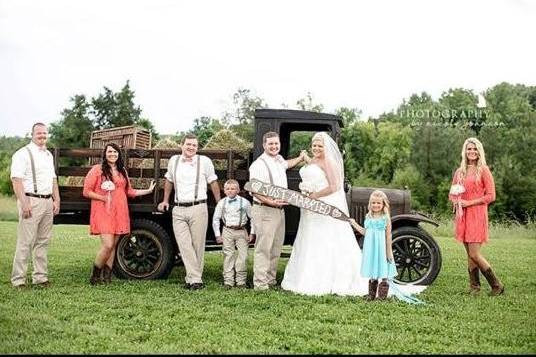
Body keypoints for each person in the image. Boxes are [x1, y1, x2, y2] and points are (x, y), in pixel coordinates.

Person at [280, 132, 369, 296]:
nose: (316, 148)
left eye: (320, 145)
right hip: (309, 208)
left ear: (325, 147)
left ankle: (328, 278)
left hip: (324, 205)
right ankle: (305, 276)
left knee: (325, 238)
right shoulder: (313, 160)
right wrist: (306, 189)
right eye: (314, 145)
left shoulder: (329, 162)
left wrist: (314, 196)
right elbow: (312, 170)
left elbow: (335, 186)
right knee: (309, 238)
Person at [83, 143, 155, 285]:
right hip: (104, 210)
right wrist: (102, 197)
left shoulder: (122, 171)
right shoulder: (97, 170)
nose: (112, 154)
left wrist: (147, 190)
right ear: (105, 154)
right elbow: (86, 191)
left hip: (120, 211)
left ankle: (107, 276)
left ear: (118, 154)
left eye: (115, 152)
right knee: (108, 245)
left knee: (114, 245)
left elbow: (129, 191)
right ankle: (95, 275)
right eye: (110, 152)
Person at [158, 133, 221, 290]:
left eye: (194, 145)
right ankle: (196, 279)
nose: (191, 147)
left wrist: (219, 202)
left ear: (197, 147)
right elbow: (169, 180)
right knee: (184, 244)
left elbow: (213, 182)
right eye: (188, 144)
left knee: (197, 245)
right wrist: (166, 200)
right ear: (181, 145)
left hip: (198, 207)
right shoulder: (174, 160)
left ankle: (192, 279)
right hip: (178, 208)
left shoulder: (204, 161)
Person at [248, 131, 305, 291]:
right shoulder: (258, 165)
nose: (274, 146)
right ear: (264, 145)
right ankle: (260, 283)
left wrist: (301, 158)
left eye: (276, 144)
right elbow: (254, 189)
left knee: (276, 247)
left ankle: (270, 280)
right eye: (270, 144)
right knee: (263, 248)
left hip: (279, 211)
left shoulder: (278, 160)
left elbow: (288, 164)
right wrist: (270, 201)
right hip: (265, 209)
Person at [448, 137, 503, 296]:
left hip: (477, 214)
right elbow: (452, 193)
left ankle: (497, 285)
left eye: (474, 149)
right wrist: (456, 201)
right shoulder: (460, 172)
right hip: (462, 215)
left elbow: (491, 196)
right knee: (469, 254)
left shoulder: (483, 170)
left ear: (479, 152)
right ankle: (474, 287)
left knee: (474, 253)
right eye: (468, 149)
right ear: (464, 151)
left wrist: (469, 202)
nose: (471, 152)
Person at [10, 122, 60, 288]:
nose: (42, 136)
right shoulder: (22, 154)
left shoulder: (48, 155)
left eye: (44, 133)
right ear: (32, 134)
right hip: (31, 200)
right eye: (39, 133)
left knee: (43, 242)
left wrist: (56, 199)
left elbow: (53, 179)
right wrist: (24, 203)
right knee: (25, 242)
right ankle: (18, 280)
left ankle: (40, 278)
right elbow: (16, 180)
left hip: (47, 202)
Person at [348, 190, 398, 300]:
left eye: (378, 203)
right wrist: (354, 223)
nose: (376, 205)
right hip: (370, 248)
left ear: (383, 204)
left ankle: (382, 296)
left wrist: (388, 252)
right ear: (370, 204)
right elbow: (365, 232)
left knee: (383, 269)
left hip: (381, 248)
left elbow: (388, 236)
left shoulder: (385, 218)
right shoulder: (368, 217)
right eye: (373, 203)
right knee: (372, 269)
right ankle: (371, 294)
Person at [212, 179, 255, 289]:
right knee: (228, 255)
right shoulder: (222, 203)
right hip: (227, 231)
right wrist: (218, 235)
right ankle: (228, 281)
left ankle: (241, 281)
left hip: (241, 230)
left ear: (238, 190)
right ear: (224, 191)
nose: (230, 191)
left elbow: (253, 218)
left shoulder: (245, 202)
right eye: (228, 189)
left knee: (243, 256)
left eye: (233, 189)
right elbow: (216, 219)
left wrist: (252, 233)